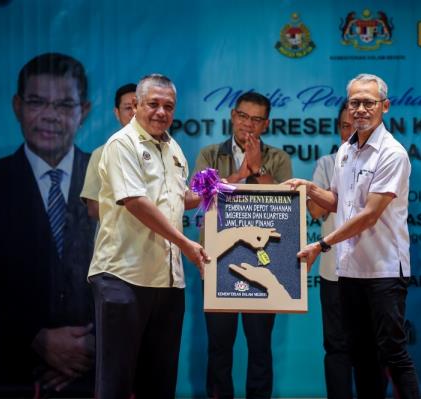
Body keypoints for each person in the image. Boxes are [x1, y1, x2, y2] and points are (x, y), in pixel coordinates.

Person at [0, 52, 97, 396]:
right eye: (37, 102)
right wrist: (35, 337)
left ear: (85, 111)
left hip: (94, 371)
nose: (50, 116)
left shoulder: (112, 180)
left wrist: (95, 343)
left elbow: (134, 270)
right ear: (17, 106)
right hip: (6, 372)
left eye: (65, 105)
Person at [289, 73, 420, 399]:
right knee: (360, 355)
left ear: (385, 106)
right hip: (349, 270)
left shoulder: (392, 153)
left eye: (368, 102)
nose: (360, 109)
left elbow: (369, 215)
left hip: (383, 270)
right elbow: (338, 202)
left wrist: (322, 244)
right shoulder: (345, 150)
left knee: (393, 353)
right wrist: (309, 188)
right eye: (355, 102)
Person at [88, 74, 209, 399]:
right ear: (136, 105)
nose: (160, 112)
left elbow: (180, 198)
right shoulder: (121, 144)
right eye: (153, 104)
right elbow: (135, 202)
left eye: (168, 106)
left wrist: (217, 190)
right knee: (115, 382)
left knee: (159, 381)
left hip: (167, 282)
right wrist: (185, 242)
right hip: (123, 277)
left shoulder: (173, 147)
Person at [193, 92, 292, 399]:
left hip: (263, 261)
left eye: (257, 119)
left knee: (260, 347)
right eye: (243, 117)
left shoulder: (278, 158)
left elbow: (285, 207)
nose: (248, 124)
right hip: (217, 259)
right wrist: (241, 174)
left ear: (266, 124)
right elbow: (201, 199)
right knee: (219, 347)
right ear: (233, 116)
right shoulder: (210, 154)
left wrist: (260, 169)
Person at [307, 102, 354, 398]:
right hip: (332, 270)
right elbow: (314, 211)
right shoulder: (327, 163)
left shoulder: (384, 160)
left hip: (372, 271)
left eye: (356, 126)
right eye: (344, 126)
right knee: (336, 346)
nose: (349, 132)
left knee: (372, 346)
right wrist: (338, 178)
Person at [80, 83, 137, 220]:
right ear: (117, 113)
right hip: (116, 239)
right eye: (128, 108)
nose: (134, 112)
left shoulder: (161, 148)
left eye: (138, 106)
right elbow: (93, 208)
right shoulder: (101, 153)